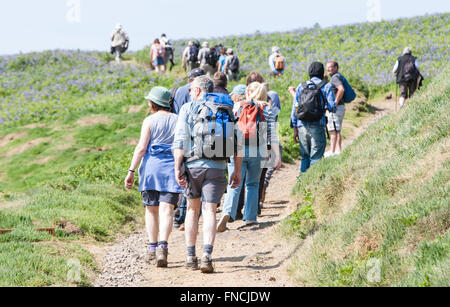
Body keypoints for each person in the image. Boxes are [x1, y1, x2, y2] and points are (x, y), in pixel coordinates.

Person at [173, 75, 243, 274]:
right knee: (210, 211)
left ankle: (190, 256)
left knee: (192, 210)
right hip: (217, 167)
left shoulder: (188, 108)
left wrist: (178, 167)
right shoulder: (226, 108)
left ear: (196, 90)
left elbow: (180, 141)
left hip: (193, 166)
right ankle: (207, 256)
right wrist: (236, 171)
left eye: (190, 90)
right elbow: (238, 145)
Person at [124, 87, 183, 268]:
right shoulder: (178, 119)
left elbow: (142, 147)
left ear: (153, 104)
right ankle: (163, 247)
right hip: (172, 168)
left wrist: (131, 170)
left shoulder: (149, 120)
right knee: (167, 210)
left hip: (151, 169)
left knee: (151, 209)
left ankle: (152, 248)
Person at [218, 82, 282, 232]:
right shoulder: (267, 108)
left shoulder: (238, 106)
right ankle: (250, 218)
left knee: (234, 183)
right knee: (252, 184)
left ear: (247, 92)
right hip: (258, 149)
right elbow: (272, 134)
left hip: (238, 148)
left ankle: (227, 212)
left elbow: (230, 127)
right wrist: (276, 155)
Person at [289, 62, 337, 178]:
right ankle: (313, 184)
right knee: (316, 157)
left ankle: (301, 185)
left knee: (305, 156)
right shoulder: (326, 86)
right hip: (317, 125)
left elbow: (295, 108)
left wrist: (295, 127)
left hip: (302, 126)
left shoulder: (301, 86)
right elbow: (332, 107)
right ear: (322, 72)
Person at [324, 61, 347, 157]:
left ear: (336, 68)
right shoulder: (337, 77)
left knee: (333, 130)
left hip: (336, 109)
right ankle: (338, 150)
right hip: (340, 108)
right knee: (337, 130)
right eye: (327, 67)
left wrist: (334, 103)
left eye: (331, 67)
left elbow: (341, 89)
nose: (328, 69)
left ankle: (332, 152)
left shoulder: (335, 78)